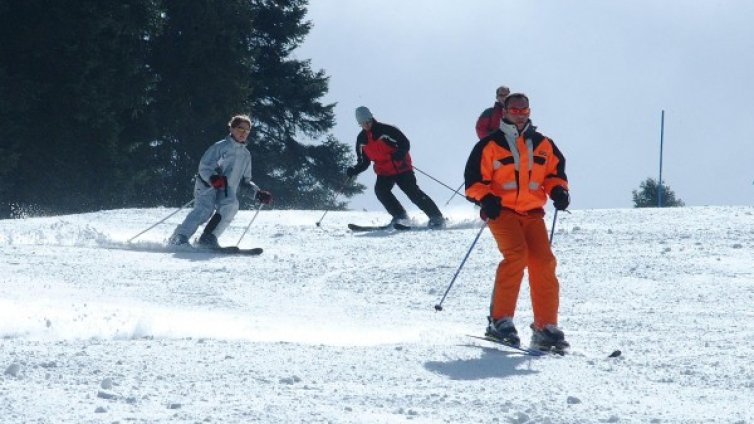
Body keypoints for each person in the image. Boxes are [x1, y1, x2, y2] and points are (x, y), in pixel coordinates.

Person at [463, 93, 571, 352]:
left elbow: (555, 173)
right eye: (515, 109)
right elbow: (473, 182)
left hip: (533, 213)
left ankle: (546, 327)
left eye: (524, 110)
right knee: (516, 256)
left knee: (543, 262)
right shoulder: (489, 145)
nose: (520, 114)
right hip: (502, 212)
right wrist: (486, 198)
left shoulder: (543, 144)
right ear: (505, 112)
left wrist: (558, 190)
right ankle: (500, 321)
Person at [168, 114, 272, 248]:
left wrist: (258, 193)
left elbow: (245, 181)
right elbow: (205, 167)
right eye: (241, 129)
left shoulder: (246, 155)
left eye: (247, 130)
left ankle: (208, 237)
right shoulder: (220, 147)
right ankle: (179, 237)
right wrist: (213, 178)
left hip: (226, 189)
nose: (243, 133)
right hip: (208, 185)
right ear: (232, 129)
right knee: (205, 209)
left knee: (231, 205)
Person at [346, 106, 445, 228]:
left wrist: (400, 153)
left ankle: (436, 217)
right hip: (384, 171)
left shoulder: (386, 130)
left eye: (368, 121)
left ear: (372, 118)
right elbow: (364, 162)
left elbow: (404, 142)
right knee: (381, 191)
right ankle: (400, 216)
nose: (366, 125)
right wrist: (355, 170)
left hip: (401, 167)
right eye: (362, 123)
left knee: (412, 192)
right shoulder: (361, 140)